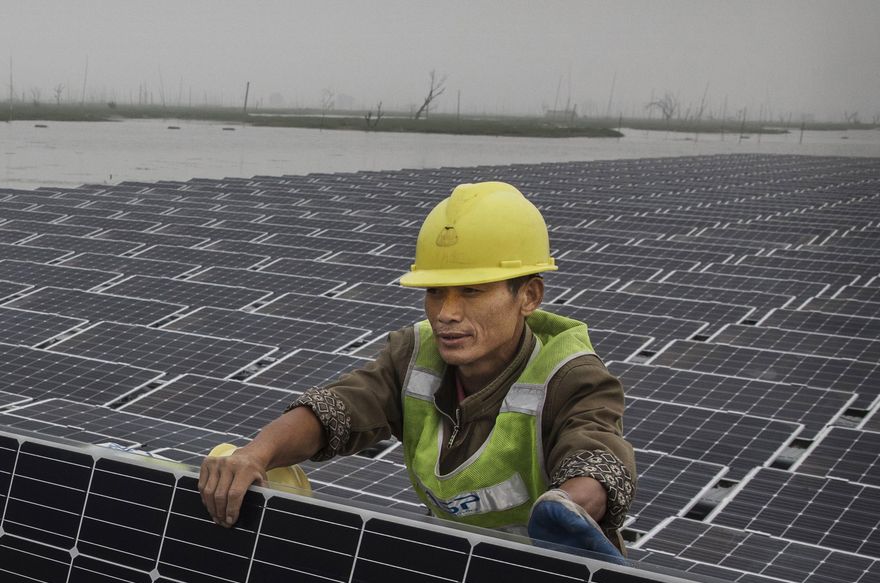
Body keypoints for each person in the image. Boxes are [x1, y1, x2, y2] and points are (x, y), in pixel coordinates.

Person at [198, 181, 635, 560]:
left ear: (529, 296)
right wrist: (256, 454)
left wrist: (569, 506)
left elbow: (594, 449)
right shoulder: (414, 356)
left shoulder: (571, 375)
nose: (446, 314)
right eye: (435, 292)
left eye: (471, 291)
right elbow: (341, 406)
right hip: (458, 565)